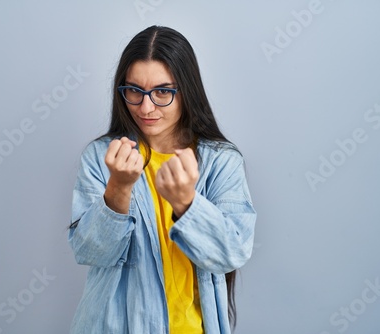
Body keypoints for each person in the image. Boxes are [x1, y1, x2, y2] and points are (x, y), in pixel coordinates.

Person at [68, 25, 257, 334]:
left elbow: (230, 254)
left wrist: (186, 203)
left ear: (187, 91)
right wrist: (117, 188)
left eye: (163, 92)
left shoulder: (221, 161)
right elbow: (90, 253)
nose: (145, 107)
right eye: (134, 91)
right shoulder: (101, 157)